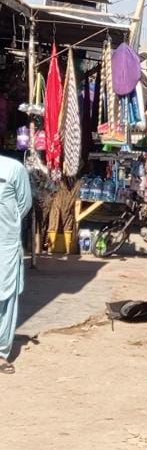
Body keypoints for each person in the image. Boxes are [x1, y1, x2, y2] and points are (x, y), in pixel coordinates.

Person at [0, 156, 31, 374]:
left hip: (5, 244)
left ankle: (1, 352)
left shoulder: (13, 169)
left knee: (6, 296)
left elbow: (24, 205)